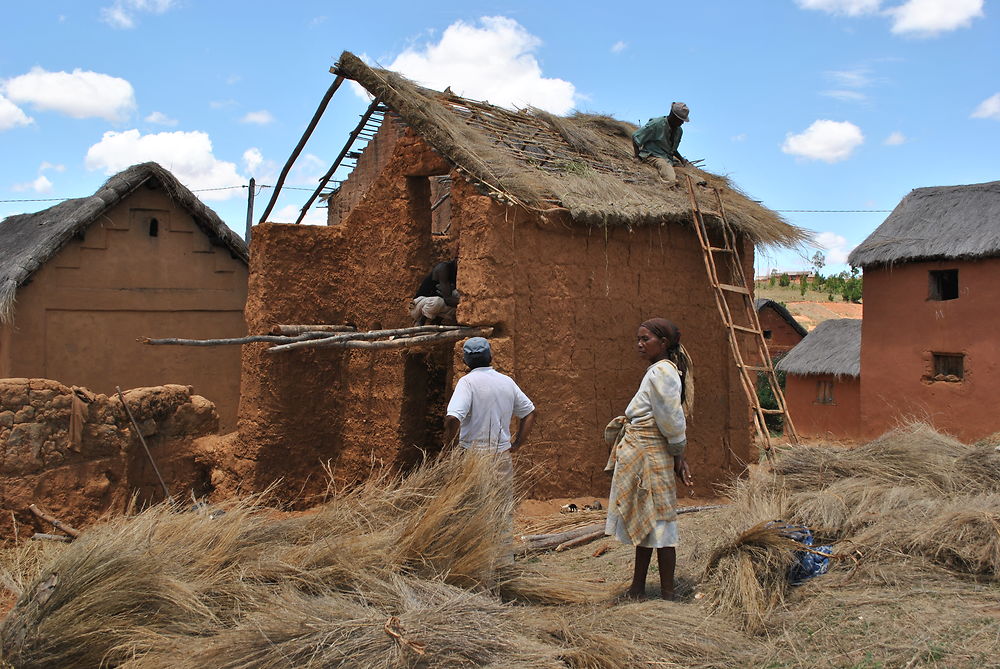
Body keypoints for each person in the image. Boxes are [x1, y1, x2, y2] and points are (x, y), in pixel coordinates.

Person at [604, 318, 694, 600]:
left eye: (646, 339)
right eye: (638, 339)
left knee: (663, 524)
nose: (639, 345)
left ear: (663, 343)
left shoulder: (662, 373)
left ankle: (667, 593)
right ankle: (638, 589)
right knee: (648, 521)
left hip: (652, 453)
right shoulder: (660, 371)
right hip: (647, 452)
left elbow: (671, 419)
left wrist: (678, 453)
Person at [444, 337, 536, 554]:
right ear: (490, 357)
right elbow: (530, 412)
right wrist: (518, 442)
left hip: (473, 458)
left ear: (466, 361)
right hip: (501, 457)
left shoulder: (467, 383)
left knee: (472, 512)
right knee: (501, 512)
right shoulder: (506, 382)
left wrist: (449, 449)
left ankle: (475, 562)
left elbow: (452, 418)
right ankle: (503, 563)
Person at [631, 102, 691, 187]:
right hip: (653, 155)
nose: (682, 123)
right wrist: (637, 156)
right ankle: (661, 185)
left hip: (668, 157)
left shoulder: (679, 131)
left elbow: (672, 149)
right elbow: (635, 137)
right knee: (670, 177)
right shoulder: (656, 124)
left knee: (690, 173)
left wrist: (681, 159)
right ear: (673, 116)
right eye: (681, 120)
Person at [409, 259, 459, 325]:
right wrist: (467, 303)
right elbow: (448, 299)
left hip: (435, 306)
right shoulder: (443, 268)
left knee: (458, 295)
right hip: (418, 307)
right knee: (437, 302)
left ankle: (435, 323)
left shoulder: (458, 272)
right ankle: (422, 322)